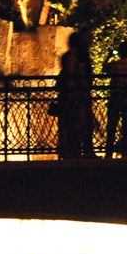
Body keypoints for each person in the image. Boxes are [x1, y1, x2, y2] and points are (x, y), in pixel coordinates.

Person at [54, 30, 94, 158]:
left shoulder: (67, 57)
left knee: (69, 123)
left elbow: (66, 73)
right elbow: (85, 75)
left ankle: (68, 150)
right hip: (79, 94)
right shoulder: (82, 57)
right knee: (83, 122)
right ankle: (82, 150)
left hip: (69, 94)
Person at [104, 39, 127, 157]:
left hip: (116, 95)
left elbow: (105, 69)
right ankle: (126, 151)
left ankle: (109, 152)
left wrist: (108, 57)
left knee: (112, 125)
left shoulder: (115, 65)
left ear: (119, 51)